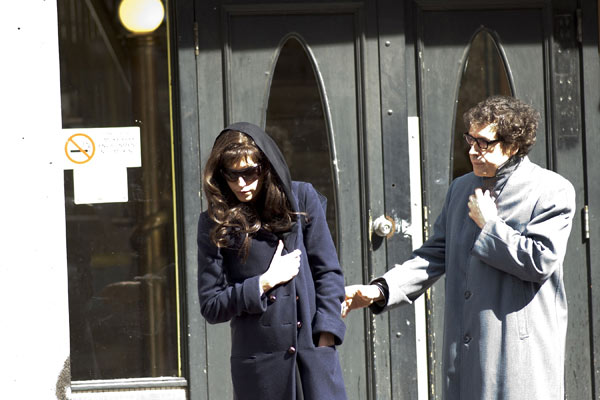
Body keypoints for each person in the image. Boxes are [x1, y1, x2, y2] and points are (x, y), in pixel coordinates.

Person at [343, 95, 576, 399]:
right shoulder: (461, 188)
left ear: (514, 145)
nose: (472, 151)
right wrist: (381, 290)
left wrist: (490, 225)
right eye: (470, 140)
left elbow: (540, 260)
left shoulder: (551, 190)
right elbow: (435, 254)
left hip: (518, 358)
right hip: (464, 353)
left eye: (484, 143)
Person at [197, 122, 347, 400]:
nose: (241, 184)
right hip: (260, 369)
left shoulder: (301, 198)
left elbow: (328, 272)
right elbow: (211, 305)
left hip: (313, 358)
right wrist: (264, 283)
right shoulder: (214, 222)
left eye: (249, 173)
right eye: (231, 175)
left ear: (265, 167)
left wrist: (326, 337)